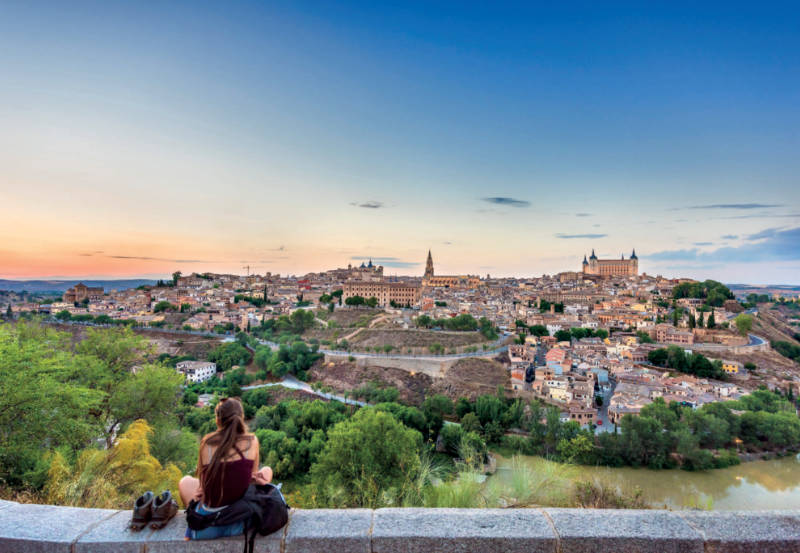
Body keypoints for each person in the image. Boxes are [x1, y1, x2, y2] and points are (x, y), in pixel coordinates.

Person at [179, 397, 273, 540]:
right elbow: (252, 477)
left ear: (218, 420)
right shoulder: (251, 441)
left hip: (206, 528)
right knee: (267, 471)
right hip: (241, 522)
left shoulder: (207, 443)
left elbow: (204, 483)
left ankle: (197, 520)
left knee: (185, 482)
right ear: (241, 417)